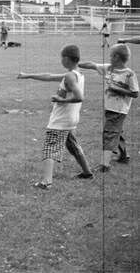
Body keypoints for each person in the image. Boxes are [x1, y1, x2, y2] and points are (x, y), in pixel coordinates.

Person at [17, 45, 93, 189]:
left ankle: (46, 182)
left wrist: (61, 100)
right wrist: (28, 75)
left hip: (61, 120)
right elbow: (50, 76)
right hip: (70, 119)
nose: (61, 60)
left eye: (61, 57)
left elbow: (79, 97)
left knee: (50, 148)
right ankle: (87, 172)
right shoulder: (76, 74)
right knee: (73, 145)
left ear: (66, 58)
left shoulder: (70, 76)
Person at [79, 44, 139, 172]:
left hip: (118, 110)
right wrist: (77, 63)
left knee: (109, 134)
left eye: (111, 55)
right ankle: (123, 156)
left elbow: (135, 93)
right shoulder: (109, 68)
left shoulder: (129, 74)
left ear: (116, 57)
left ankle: (104, 165)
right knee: (117, 132)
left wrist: (116, 88)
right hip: (110, 108)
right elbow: (93, 65)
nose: (109, 57)